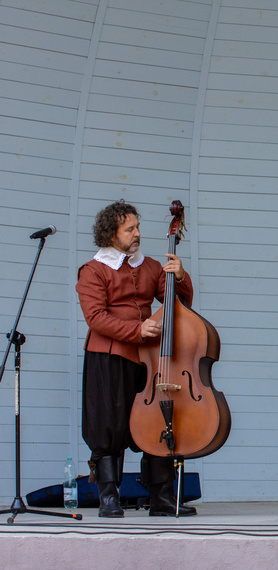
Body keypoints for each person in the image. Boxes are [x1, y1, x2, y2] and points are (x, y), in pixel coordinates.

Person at [76, 200, 196, 517]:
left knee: (158, 420)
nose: (137, 233)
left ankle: (162, 498)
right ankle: (109, 497)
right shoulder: (93, 270)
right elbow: (95, 318)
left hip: (150, 359)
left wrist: (181, 276)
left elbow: (179, 304)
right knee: (108, 424)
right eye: (130, 229)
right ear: (111, 233)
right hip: (109, 356)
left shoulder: (151, 266)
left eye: (138, 227)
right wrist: (136, 329)